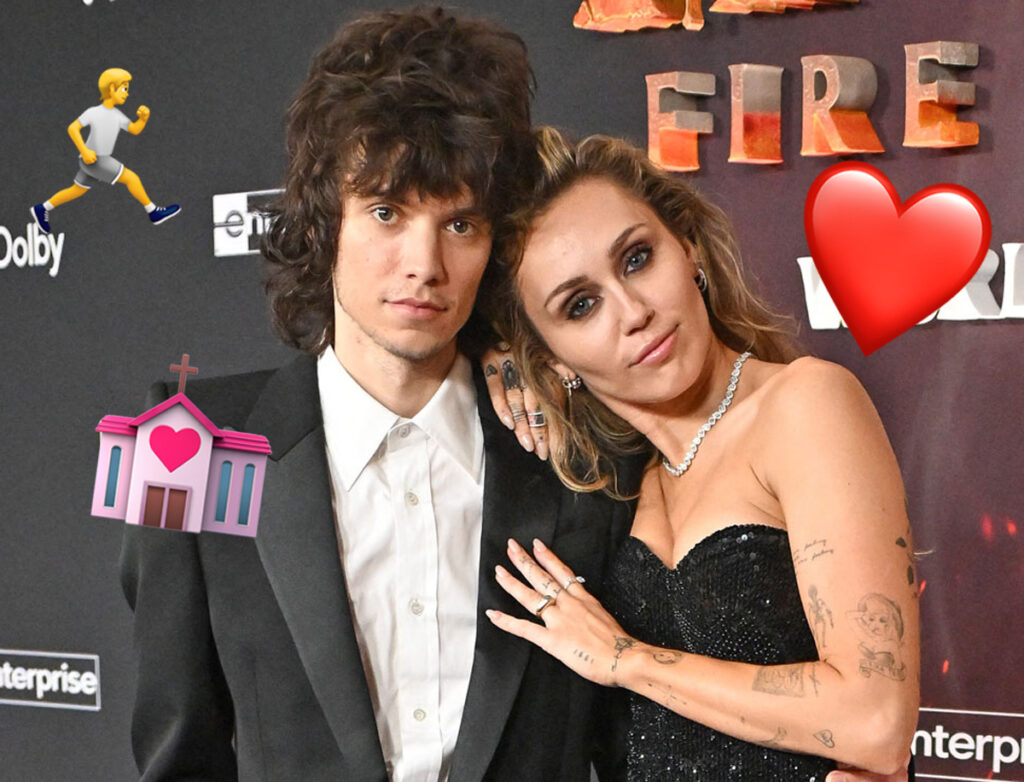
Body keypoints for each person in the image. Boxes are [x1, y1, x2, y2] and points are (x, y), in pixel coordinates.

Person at [119, 9, 636, 782]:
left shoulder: (575, 453)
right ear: (324, 220)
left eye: (460, 224)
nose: (424, 264)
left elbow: (627, 747)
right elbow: (178, 753)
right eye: (387, 212)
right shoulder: (187, 449)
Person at [481, 127, 920, 780]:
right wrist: (487, 357)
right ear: (552, 360)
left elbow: (876, 722)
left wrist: (627, 659)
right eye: (581, 305)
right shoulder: (612, 484)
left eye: (637, 259)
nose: (633, 311)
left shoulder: (802, 405)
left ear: (688, 248)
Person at [31, 67, 180, 234]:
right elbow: (73, 128)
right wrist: (85, 151)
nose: (127, 94)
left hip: (93, 161)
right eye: (124, 89)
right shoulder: (94, 112)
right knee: (132, 178)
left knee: (76, 190)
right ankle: (153, 211)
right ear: (111, 88)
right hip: (97, 160)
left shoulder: (117, 114)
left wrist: (143, 119)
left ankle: (43, 208)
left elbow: (134, 129)